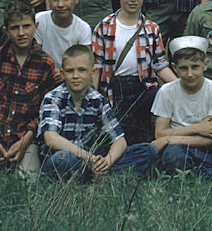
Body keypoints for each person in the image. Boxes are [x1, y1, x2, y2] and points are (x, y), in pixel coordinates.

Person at [39, 44, 158, 181]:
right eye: (70, 71)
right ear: (62, 73)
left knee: (147, 151)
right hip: (68, 159)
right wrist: (89, 158)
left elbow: (120, 140)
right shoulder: (53, 98)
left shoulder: (98, 100)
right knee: (63, 159)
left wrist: (106, 162)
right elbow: (51, 138)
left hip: (93, 159)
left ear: (93, 72)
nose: (76, 76)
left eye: (82, 70)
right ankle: (100, 177)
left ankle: (98, 174)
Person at [0, 0, 56, 181]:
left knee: (27, 182)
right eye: (15, 28)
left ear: (36, 26)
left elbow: (44, 112)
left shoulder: (46, 64)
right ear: (6, 30)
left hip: (26, 138)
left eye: (26, 26)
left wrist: (24, 142)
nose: (21, 33)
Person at [92, 0, 176, 144]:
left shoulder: (151, 28)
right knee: (119, 134)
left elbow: (160, 65)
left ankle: (150, 150)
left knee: (144, 128)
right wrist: (93, 95)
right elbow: (97, 67)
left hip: (142, 86)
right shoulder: (104, 27)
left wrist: (179, 86)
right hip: (115, 87)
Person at [150, 36, 212, 186]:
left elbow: (209, 138)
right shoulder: (167, 92)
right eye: (183, 68)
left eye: (195, 67)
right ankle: (179, 182)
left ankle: (195, 177)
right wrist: (198, 128)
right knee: (174, 155)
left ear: (205, 65)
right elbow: (159, 133)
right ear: (174, 68)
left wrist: (168, 138)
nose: (189, 74)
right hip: (176, 149)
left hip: (205, 150)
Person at [35, 0, 92, 83]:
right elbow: (35, 56)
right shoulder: (39, 21)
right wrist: (51, 71)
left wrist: (65, 74)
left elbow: (84, 62)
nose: (60, 4)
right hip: (43, 75)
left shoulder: (83, 28)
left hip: (71, 77)